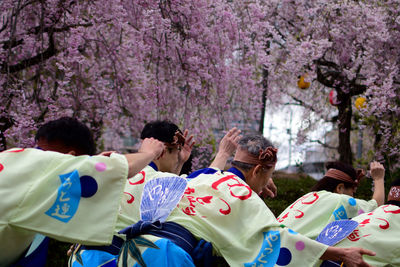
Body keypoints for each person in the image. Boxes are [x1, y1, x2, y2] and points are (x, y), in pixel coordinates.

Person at [118, 134, 375, 267]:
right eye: (268, 175)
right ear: (257, 170)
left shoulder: (203, 177)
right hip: (168, 257)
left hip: (132, 249)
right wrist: (340, 252)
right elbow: (279, 241)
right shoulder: (243, 195)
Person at [0, 117, 165, 266]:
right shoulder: (46, 166)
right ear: (71, 156)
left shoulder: (14, 159)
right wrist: (148, 153)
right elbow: (122, 168)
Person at [277, 161, 385, 239]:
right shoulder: (340, 200)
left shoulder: (307, 197)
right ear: (340, 188)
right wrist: (379, 178)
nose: (353, 196)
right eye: (353, 191)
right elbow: (375, 208)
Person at [321, 177, 400, 266]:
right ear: (340, 188)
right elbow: (374, 203)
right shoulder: (349, 204)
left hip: (319, 256)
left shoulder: (367, 215)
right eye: (352, 188)